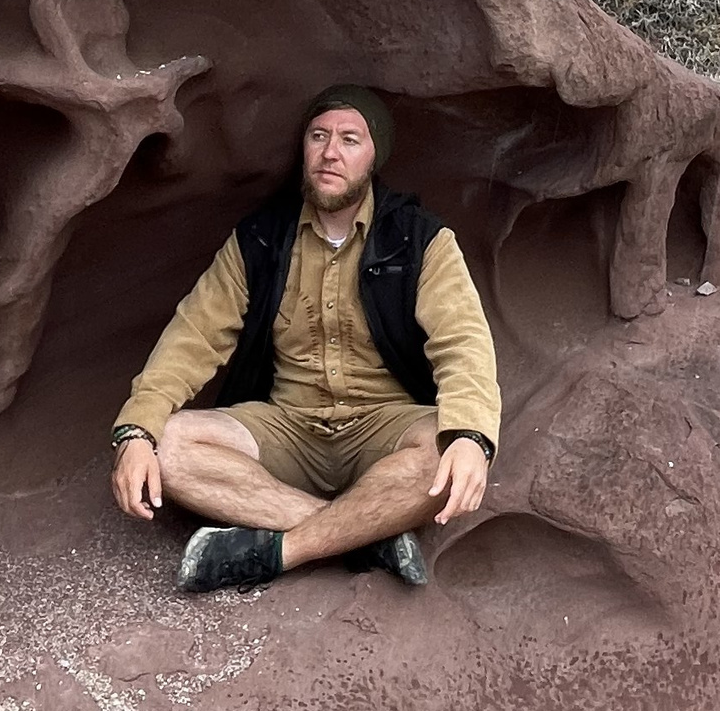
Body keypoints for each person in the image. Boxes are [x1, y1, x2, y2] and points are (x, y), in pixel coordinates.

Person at [109, 86, 501, 593]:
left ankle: (280, 552)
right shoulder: (260, 239)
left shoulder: (420, 238)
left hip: (383, 426)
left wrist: (471, 437)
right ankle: (365, 536)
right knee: (169, 446)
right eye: (319, 136)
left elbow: (463, 341)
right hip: (286, 426)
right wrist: (136, 431)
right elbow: (193, 336)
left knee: (439, 458)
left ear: (374, 154)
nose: (330, 152)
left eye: (350, 139)